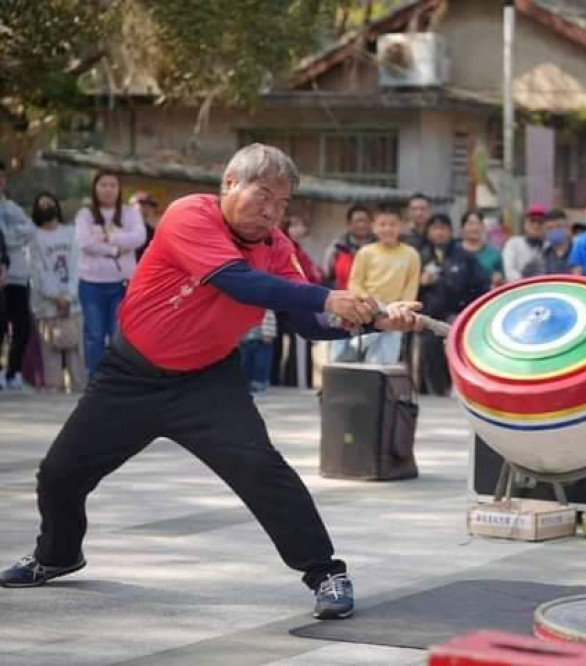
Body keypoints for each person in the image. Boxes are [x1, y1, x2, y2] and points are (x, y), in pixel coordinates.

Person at [0, 144, 422, 622]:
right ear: (229, 184)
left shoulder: (278, 249)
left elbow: (304, 322)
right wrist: (330, 296)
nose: (272, 212)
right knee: (59, 475)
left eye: (282, 204)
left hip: (206, 382)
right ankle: (58, 554)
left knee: (264, 471)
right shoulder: (190, 215)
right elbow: (239, 283)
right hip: (130, 376)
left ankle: (325, 572)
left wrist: (377, 321)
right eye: (264, 196)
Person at [75, 171, 146, 378]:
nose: (108, 189)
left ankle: (117, 378)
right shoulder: (85, 214)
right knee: (94, 334)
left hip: (122, 283)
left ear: (119, 189)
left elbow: (139, 237)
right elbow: (85, 243)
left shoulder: (130, 212)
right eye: (103, 185)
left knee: (119, 335)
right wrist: (115, 250)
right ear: (95, 188)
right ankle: (95, 378)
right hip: (91, 283)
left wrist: (111, 236)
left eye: (112, 185)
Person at [418, 213, 489, 395]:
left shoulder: (464, 257)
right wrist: (421, 282)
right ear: (428, 232)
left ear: (450, 232)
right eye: (435, 228)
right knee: (430, 357)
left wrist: (468, 312)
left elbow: (481, 285)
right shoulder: (420, 256)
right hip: (428, 318)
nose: (439, 233)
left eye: (443, 228)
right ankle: (435, 394)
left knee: (457, 358)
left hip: (456, 318)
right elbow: (408, 287)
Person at [347, 206, 421, 363]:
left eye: (392, 224)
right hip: (368, 310)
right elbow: (355, 284)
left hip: (395, 313)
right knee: (352, 353)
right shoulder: (366, 252)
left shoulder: (411, 254)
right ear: (374, 227)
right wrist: (371, 304)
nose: (387, 229)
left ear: (400, 227)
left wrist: (401, 308)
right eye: (382, 224)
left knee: (384, 361)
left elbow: (411, 287)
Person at [27, 192, 86, 392]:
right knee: (50, 352)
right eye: (42, 205)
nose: (47, 208)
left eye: (50, 204)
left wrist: (69, 295)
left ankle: (78, 390)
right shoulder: (33, 237)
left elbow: (76, 264)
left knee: (76, 352)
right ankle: (54, 394)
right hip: (46, 306)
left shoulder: (70, 232)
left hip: (73, 303)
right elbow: (37, 271)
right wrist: (55, 296)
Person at [272, 214, 324, 388]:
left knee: (294, 344)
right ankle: (293, 381)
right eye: (294, 225)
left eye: (301, 225)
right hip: (288, 303)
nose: (298, 229)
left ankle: (293, 381)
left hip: (294, 302)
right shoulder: (284, 248)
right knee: (281, 344)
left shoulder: (299, 250)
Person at [0, 158, 37, 390]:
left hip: (17, 276)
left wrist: (7, 236)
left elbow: (30, 229)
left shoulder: (11, 207)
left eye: (2, 177)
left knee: (22, 325)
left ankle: (13, 373)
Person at [323, 204, 374, 362]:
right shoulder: (337, 247)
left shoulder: (379, 248)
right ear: (349, 224)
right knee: (338, 354)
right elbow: (327, 276)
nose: (361, 225)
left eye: (365, 221)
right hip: (341, 308)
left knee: (368, 357)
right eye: (357, 221)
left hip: (370, 307)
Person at [523, 209, 574, 277]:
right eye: (550, 228)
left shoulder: (580, 254)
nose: (554, 230)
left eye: (559, 226)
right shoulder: (540, 258)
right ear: (545, 232)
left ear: (568, 228)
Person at [502, 204, 546, 282]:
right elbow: (509, 273)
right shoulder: (513, 244)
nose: (536, 225)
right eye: (532, 221)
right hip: (520, 290)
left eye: (540, 222)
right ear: (525, 224)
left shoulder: (548, 246)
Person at [460, 210, 504, 287]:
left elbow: (503, 281)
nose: (475, 228)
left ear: (483, 227)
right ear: (462, 227)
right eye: (470, 224)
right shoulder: (453, 252)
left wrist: (499, 280)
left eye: (478, 223)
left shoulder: (494, 253)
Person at [240, 310, 277, 394]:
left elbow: (269, 315)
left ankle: (260, 383)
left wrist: (269, 332)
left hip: (262, 337)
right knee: (245, 362)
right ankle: (247, 383)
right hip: (245, 338)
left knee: (262, 362)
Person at [130, 191, 160, 262]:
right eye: (142, 205)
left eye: (149, 206)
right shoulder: (122, 226)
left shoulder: (152, 232)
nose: (147, 209)